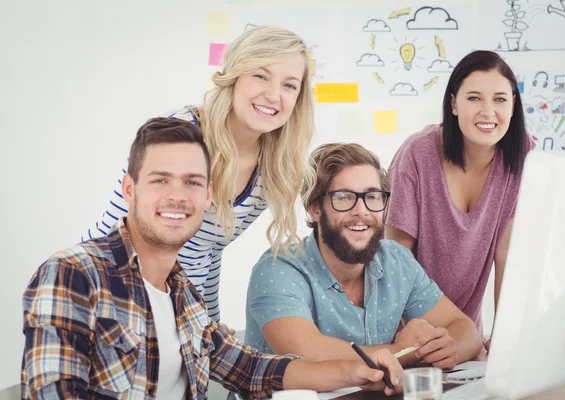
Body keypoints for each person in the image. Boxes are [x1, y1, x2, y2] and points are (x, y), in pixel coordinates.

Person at [21, 118, 403, 399]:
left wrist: (356, 369)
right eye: (160, 179)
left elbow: (252, 369)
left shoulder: (185, 296)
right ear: (129, 189)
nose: (177, 196)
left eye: (192, 182)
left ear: (208, 198)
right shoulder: (72, 273)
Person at [82, 26, 315, 325]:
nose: (273, 95)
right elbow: (115, 229)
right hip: (111, 296)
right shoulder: (182, 132)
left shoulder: (274, 168)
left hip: (181, 311)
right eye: (260, 76)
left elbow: (207, 254)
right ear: (235, 75)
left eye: (289, 85)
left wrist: (209, 326)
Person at [245, 143, 482, 370]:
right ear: (315, 208)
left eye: (372, 197)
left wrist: (447, 349)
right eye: (344, 197)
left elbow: (466, 331)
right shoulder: (278, 269)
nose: (362, 211)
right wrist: (403, 352)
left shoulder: (396, 261)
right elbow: (308, 353)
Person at [384, 50, 533, 349]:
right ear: (453, 104)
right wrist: (407, 336)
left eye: (500, 99)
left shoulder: (523, 157)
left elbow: (506, 254)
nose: (488, 111)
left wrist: (503, 338)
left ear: (514, 105)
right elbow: (396, 256)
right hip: (406, 331)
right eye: (474, 98)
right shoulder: (417, 154)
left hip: (466, 336)